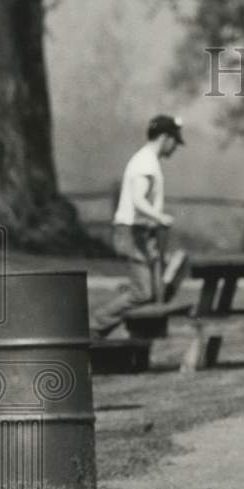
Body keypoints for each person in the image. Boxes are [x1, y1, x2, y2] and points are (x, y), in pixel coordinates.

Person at [90, 114, 184, 339]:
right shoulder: (145, 163)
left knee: (151, 291)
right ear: (164, 138)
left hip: (141, 232)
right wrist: (159, 217)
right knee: (143, 292)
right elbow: (138, 200)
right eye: (174, 142)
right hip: (133, 233)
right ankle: (94, 327)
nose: (175, 148)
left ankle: (135, 338)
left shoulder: (147, 162)